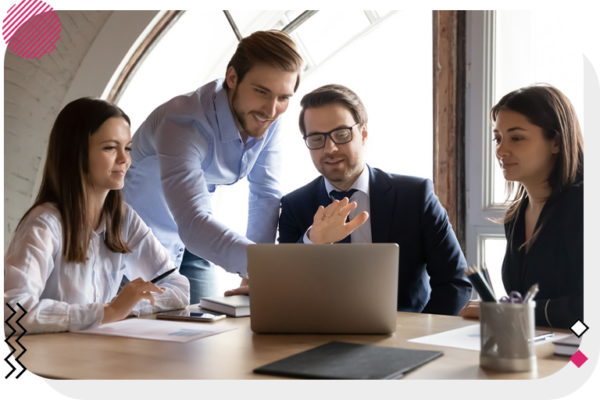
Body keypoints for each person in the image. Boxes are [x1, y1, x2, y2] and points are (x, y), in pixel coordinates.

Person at [121, 30, 303, 303]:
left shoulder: (269, 118)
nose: (271, 109)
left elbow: (265, 195)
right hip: (133, 241)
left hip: (194, 239)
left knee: (207, 333)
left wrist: (254, 272)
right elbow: (193, 221)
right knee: (134, 339)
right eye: (261, 91)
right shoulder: (182, 123)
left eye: (283, 97)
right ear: (232, 78)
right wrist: (265, 267)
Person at [277, 84, 472, 315]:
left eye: (341, 134)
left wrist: (418, 338)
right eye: (317, 138)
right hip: (325, 339)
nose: (330, 148)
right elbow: (285, 290)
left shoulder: (415, 195)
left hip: (408, 336)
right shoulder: (293, 205)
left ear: (364, 134)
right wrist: (313, 241)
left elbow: (455, 282)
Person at [3, 98, 190, 335]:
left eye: (128, 147)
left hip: (96, 352)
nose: (124, 159)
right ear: (77, 153)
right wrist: (106, 312)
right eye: (110, 148)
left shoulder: (124, 218)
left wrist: (125, 307)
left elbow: (178, 288)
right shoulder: (44, 224)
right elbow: (10, 312)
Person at [460, 84, 583, 329]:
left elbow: (587, 310)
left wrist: (505, 312)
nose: (500, 150)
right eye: (498, 138)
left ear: (556, 142)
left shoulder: (584, 206)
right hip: (534, 346)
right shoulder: (516, 215)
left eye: (517, 138)